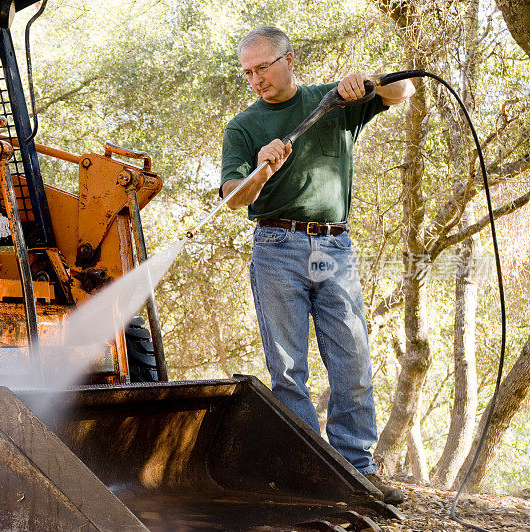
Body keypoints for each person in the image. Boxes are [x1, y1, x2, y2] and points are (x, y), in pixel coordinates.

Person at [220, 25, 415, 505]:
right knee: (287, 370)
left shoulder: (333, 103)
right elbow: (231, 200)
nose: (256, 79)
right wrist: (261, 170)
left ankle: (358, 474)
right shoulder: (243, 127)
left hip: (335, 249)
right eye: (248, 72)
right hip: (274, 246)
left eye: (262, 67)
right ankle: (309, 477)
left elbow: (405, 89)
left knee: (352, 362)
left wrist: (367, 80)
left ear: (289, 59)